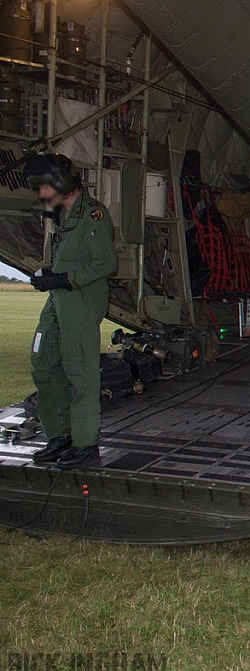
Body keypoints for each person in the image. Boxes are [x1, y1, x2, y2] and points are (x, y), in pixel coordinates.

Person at [25, 154, 117, 470]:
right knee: (43, 360)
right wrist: (49, 274)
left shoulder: (92, 215)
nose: (41, 193)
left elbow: (106, 264)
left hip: (79, 300)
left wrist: (64, 279)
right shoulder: (65, 217)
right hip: (59, 298)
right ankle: (60, 435)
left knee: (81, 371)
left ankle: (85, 444)